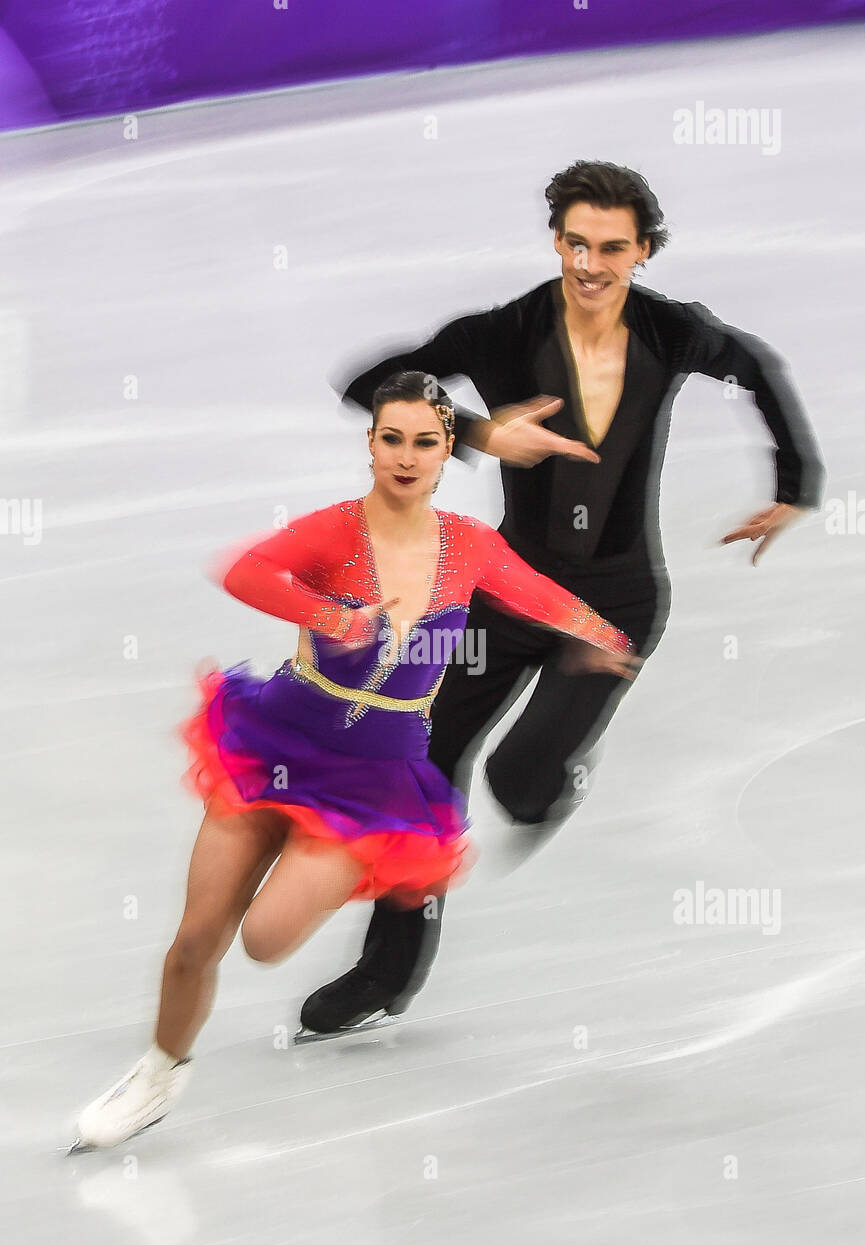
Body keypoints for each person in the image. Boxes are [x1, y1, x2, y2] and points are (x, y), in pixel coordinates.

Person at [298, 158, 826, 1038]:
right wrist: (476, 431)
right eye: (574, 243)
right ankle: (387, 974)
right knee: (424, 763)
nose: (589, 264)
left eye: (610, 248)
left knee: (519, 778)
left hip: (613, 606)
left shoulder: (671, 332)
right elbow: (370, 384)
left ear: (643, 252)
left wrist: (796, 481)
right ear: (555, 241)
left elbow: (758, 367)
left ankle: (559, 776)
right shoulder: (501, 334)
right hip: (504, 594)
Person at [71, 372, 638, 1150]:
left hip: (372, 783)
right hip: (273, 743)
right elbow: (244, 570)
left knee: (265, 939)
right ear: (370, 445)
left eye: (425, 443)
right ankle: (158, 1075)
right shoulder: (334, 532)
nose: (406, 457)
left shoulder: (469, 547)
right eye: (391, 439)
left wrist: (600, 634)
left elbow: (535, 593)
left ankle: (313, 862)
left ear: (447, 453)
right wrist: (329, 613)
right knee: (196, 938)